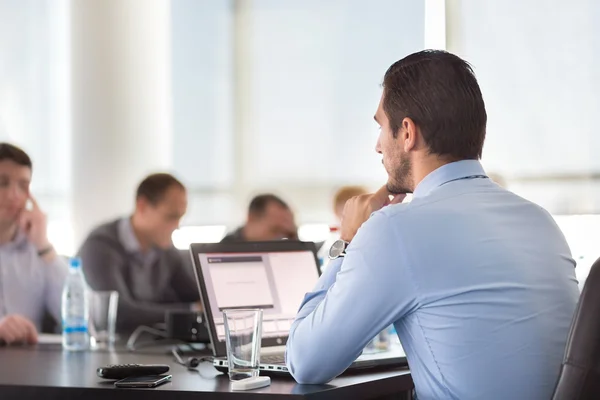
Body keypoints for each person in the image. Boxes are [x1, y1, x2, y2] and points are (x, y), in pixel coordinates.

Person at [285, 50, 579, 399]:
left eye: (381, 126)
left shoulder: (395, 229)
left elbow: (305, 362)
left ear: (407, 132)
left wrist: (347, 244)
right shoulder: (540, 221)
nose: (377, 145)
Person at [78, 173, 200, 334]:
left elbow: (196, 296)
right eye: (171, 217)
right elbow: (119, 312)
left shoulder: (166, 250)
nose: (177, 226)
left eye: (180, 217)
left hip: (145, 346)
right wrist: (192, 310)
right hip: (107, 349)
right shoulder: (101, 246)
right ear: (142, 206)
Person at [0, 143, 67, 345]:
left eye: (23, 185)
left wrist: (44, 246)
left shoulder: (36, 249)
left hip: (30, 369)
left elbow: (84, 322)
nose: (14, 195)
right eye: (2, 183)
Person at [221, 194, 298, 242]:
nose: (279, 237)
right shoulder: (222, 251)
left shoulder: (283, 249)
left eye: (285, 233)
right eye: (274, 230)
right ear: (251, 218)